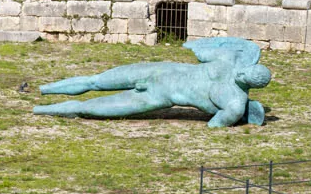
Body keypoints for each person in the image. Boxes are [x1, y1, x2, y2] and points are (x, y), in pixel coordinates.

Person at [34, 37, 271, 127]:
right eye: (243, 72)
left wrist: (239, 115)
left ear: (251, 84)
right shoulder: (229, 63)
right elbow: (200, 49)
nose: (239, 75)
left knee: (87, 108)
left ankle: (40, 109)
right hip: (159, 71)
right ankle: (43, 90)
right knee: (94, 81)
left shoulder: (235, 103)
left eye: (244, 78)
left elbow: (215, 125)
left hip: (157, 97)